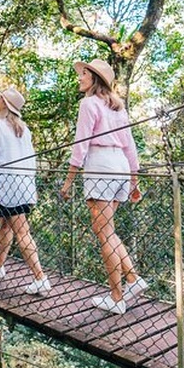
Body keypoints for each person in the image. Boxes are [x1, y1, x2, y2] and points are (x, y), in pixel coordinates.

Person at [59, 59, 147, 315]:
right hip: (120, 167)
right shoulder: (118, 107)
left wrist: (68, 182)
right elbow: (130, 145)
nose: (79, 78)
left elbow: (81, 144)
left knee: (104, 234)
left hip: (100, 166)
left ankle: (117, 297)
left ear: (94, 78)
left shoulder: (88, 104)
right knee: (108, 230)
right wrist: (133, 180)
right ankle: (132, 279)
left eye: (83, 74)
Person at [0, 86, 51, 295]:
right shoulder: (24, 129)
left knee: (22, 231)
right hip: (22, 184)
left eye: (0, 98)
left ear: (6, 104)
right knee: (5, 226)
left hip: (6, 186)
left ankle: (40, 278)